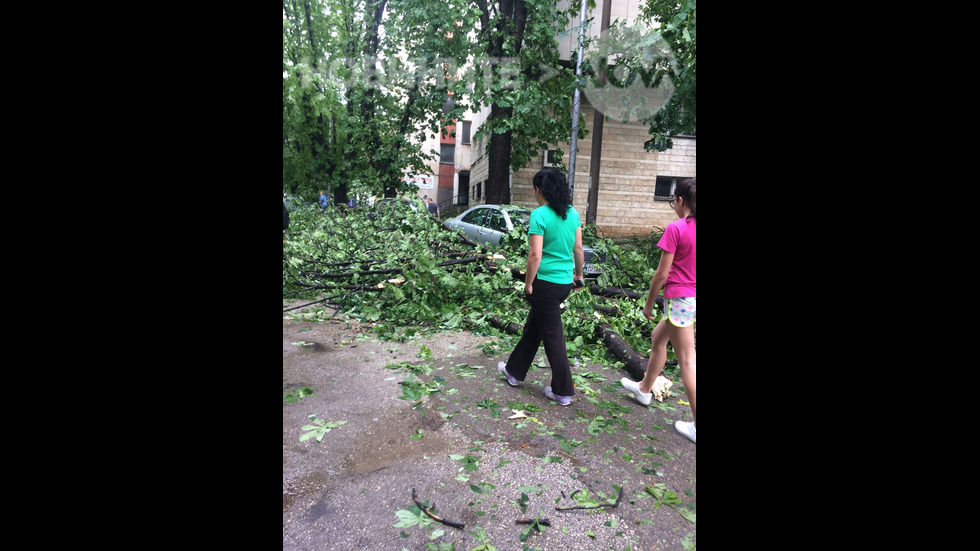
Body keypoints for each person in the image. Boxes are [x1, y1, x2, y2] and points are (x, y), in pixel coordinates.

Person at [497, 168, 585, 406]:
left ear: (539, 190)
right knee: (535, 327)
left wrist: (528, 283)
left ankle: (563, 391)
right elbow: (578, 249)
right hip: (564, 283)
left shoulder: (539, 215)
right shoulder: (572, 213)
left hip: (544, 284)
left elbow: (535, 255)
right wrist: (579, 275)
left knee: (553, 338)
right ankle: (514, 372)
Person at [621, 177, 696, 443]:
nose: (673, 206)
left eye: (673, 201)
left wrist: (649, 302)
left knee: (687, 360)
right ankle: (644, 389)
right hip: (690, 301)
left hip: (680, 299)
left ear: (681, 201)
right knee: (658, 338)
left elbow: (661, 274)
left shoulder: (676, 228)